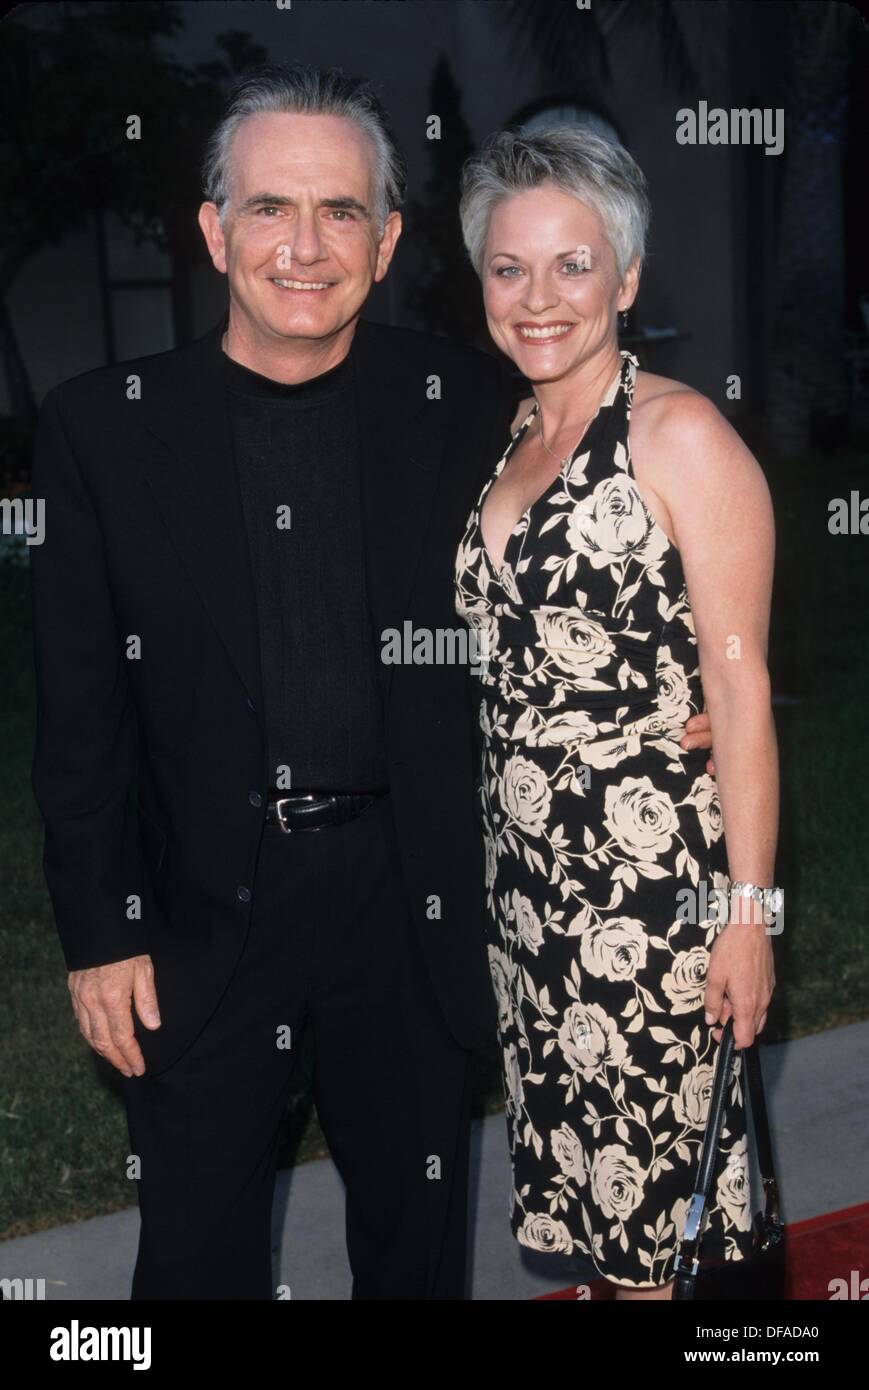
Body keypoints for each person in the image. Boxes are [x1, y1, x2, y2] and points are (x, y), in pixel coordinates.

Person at [29, 64, 714, 1301]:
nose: (304, 245)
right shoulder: (101, 428)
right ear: (213, 227)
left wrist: (685, 690)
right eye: (269, 208)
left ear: (388, 237)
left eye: (340, 212)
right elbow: (79, 715)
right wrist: (102, 929)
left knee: (414, 1251)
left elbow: (611, 493)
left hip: (412, 904)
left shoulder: (461, 402)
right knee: (190, 1255)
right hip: (197, 916)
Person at [454, 126, 778, 1300]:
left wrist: (749, 917)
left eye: (572, 264)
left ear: (627, 277)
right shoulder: (513, 440)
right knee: (595, 1220)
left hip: (648, 905)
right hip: (527, 900)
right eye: (507, 266)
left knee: (657, 1241)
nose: (536, 297)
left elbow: (739, 689)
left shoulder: (677, 436)